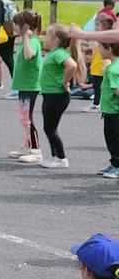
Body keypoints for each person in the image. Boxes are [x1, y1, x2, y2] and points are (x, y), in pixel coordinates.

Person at [38, 24, 85, 170]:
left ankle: (61, 158)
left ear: (56, 40)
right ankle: (55, 157)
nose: (44, 38)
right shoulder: (54, 53)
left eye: (47, 36)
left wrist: (64, 81)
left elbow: (72, 65)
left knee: (50, 128)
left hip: (56, 96)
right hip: (51, 95)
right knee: (49, 128)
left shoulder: (59, 53)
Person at [9, 10, 44, 164]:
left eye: (16, 24)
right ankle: (28, 145)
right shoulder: (26, 41)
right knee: (25, 117)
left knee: (26, 118)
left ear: (25, 26)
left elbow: (29, 55)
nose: (13, 26)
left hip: (30, 86)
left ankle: (36, 150)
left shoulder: (32, 42)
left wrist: (26, 37)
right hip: (25, 86)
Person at [82, 14, 115, 113]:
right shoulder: (98, 38)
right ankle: (95, 103)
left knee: (98, 88)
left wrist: (106, 64)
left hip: (101, 69)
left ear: (104, 26)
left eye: (97, 24)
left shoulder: (106, 39)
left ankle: (97, 104)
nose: (95, 27)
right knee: (96, 87)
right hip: (95, 67)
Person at [97, 43, 119, 178]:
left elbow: (117, 90)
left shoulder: (111, 69)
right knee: (111, 138)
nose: (97, 50)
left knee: (114, 139)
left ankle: (117, 165)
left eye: (100, 47)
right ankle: (114, 163)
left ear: (109, 49)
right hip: (110, 110)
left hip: (113, 111)